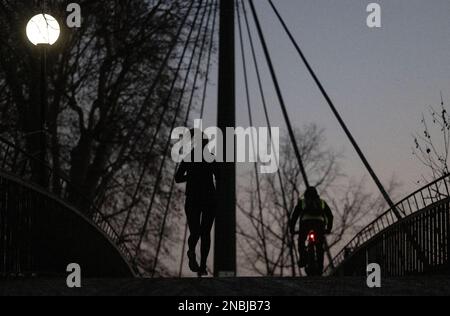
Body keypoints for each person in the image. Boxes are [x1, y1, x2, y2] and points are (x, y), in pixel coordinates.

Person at [175, 129, 218, 276]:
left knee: (197, 232)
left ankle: (193, 254)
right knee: (205, 232)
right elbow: (219, 177)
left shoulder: (189, 157)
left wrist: (191, 177)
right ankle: (202, 265)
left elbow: (178, 178)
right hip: (208, 198)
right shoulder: (211, 157)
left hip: (194, 197)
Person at [290, 187, 334, 269]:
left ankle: (303, 259)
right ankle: (320, 266)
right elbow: (330, 216)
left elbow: (294, 216)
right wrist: (329, 228)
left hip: (305, 224)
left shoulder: (302, 202)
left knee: (301, 241)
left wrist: (292, 229)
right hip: (319, 225)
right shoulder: (322, 202)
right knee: (319, 245)